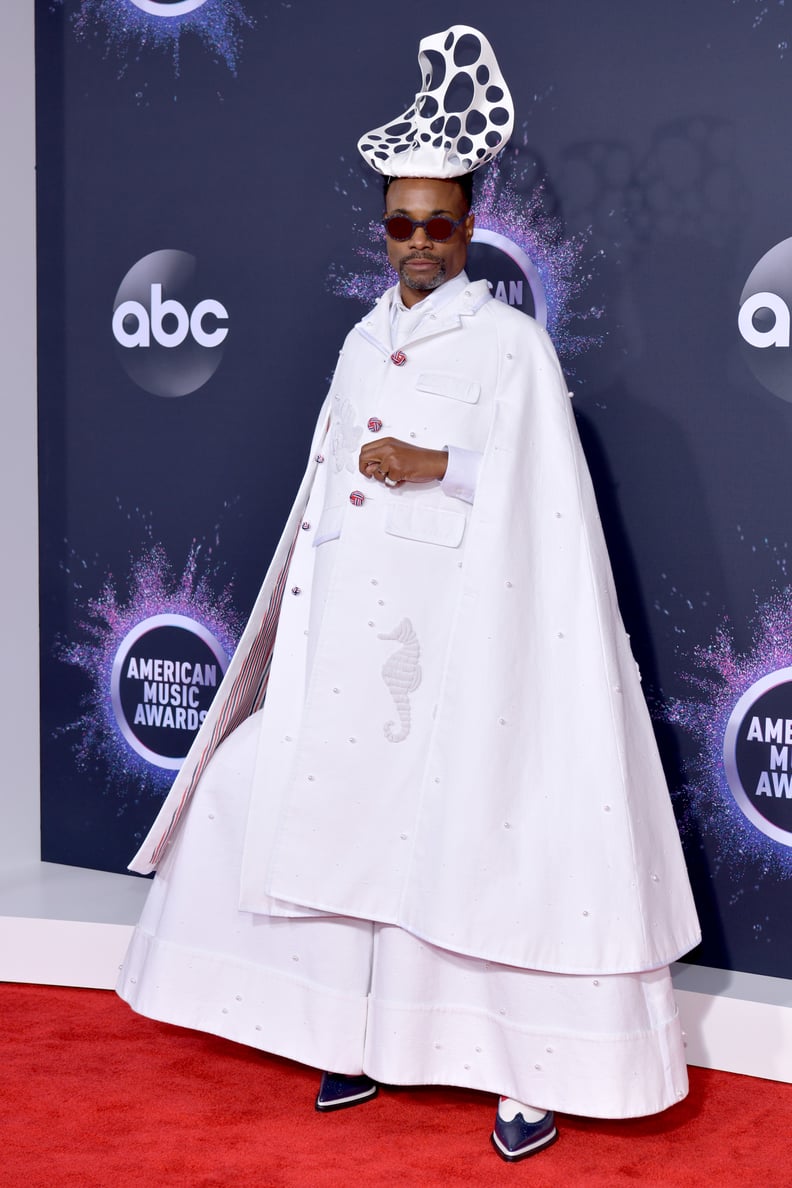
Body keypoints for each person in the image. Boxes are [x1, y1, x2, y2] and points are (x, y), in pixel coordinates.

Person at [118, 26, 700, 1162]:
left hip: (472, 653)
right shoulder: (359, 341)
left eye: (440, 223)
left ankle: (523, 1070)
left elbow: (545, 501)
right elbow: (321, 502)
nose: (419, 244)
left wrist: (439, 467)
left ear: (471, 228)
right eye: (401, 224)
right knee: (326, 818)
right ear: (382, 230)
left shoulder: (509, 347)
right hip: (360, 655)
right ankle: (363, 1031)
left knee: (484, 841)